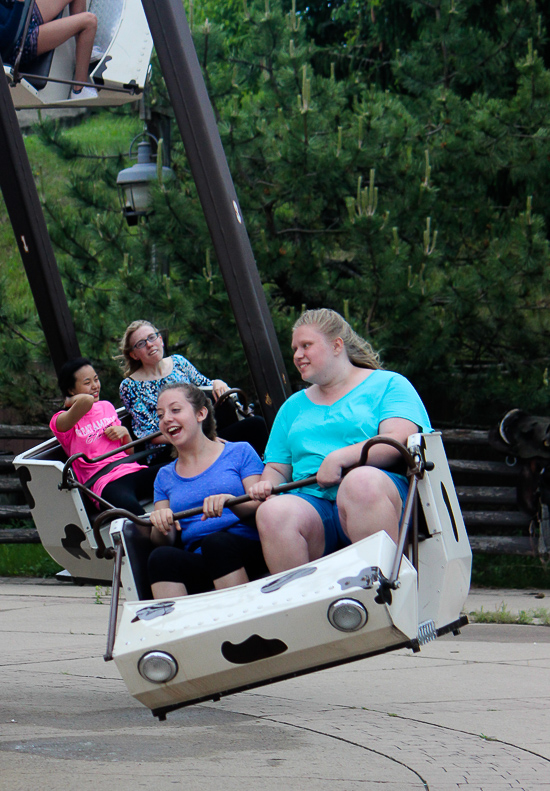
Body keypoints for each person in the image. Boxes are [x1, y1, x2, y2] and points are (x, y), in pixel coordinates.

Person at [248, 308, 432, 574]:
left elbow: (397, 440)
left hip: (376, 495)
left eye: (306, 345)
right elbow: (278, 468)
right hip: (312, 504)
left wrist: (340, 458)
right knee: (272, 512)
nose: (298, 355)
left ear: (336, 346)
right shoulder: (292, 407)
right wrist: (266, 485)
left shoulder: (390, 384)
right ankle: (301, 607)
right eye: (295, 348)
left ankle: (381, 593)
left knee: (360, 483)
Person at [148, 382, 266, 599]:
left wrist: (232, 501)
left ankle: (242, 619)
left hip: (245, 546)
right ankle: (177, 630)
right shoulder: (164, 476)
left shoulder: (239, 452)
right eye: (161, 414)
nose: (166, 419)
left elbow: (261, 505)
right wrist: (160, 523)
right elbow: (164, 539)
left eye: (175, 410)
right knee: (160, 557)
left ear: (201, 413)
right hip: (201, 556)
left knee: (217, 544)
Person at [118, 320, 267, 458]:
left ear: (160, 340)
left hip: (203, 433)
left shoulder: (178, 362)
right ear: (134, 355)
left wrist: (217, 382)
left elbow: (205, 386)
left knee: (256, 425)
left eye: (152, 337)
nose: (149, 344)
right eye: (141, 344)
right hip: (170, 446)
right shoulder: (130, 386)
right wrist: (194, 438)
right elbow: (150, 434)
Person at [50, 357, 161, 514]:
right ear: (71, 391)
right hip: (105, 482)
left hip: (132, 470)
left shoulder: (106, 407)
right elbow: (87, 401)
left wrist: (126, 434)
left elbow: (129, 454)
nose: (95, 386)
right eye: (87, 383)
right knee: (134, 514)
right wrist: (70, 400)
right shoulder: (61, 421)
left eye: (96, 379)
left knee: (178, 472)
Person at [3, 0, 98, 100]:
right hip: (19, 42)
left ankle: (85, 50)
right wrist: (20, 2)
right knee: (90, 21)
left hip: (21, 15)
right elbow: (8, 38)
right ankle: (79, 89)